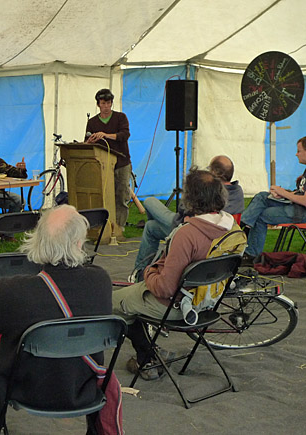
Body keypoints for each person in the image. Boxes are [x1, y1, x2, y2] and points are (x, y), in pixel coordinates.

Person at [0, 205, 117, 434]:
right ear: (79, 243)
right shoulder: (100, 281)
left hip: (25, 388)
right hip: (82, 387)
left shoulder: (13, 291)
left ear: (37, 240)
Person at [113, 168, 237, 380]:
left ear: (190, 198)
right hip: (208, 302)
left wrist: (148, 272)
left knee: (112, 302)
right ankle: (152, 352)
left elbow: (165, 288)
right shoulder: (232, 227)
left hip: (176, 305)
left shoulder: (187, 234)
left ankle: (147, 360)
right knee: (132, 298)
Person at [131, 155, 245, 279]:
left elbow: (186, 210)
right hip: (215, 236)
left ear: (215, 173)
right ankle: (144, 271)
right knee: (151, 227)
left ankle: (141, 271)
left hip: (191, 231)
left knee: (149, 201)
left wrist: (191, 195)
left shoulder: (210, 192)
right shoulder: (237, 192)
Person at [241, 136, 306, 262]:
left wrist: (284, 193)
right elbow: (301, 193)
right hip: (297, 206)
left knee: (261, 215)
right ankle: (244, 225)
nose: (296, 154)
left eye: (299, 151)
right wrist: (283, 193)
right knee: (262, 196)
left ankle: (251, 255)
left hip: (301, 212)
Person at [85, 88, 132, 233]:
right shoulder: (92, 122)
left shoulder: (120, 117)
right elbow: (86, 141)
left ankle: (119, 226)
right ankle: (103, 226)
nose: (106, 106)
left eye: (108, 103)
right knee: (104, 195)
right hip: (102, 165)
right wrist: (91, 140)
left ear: (112, 103)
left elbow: (125, 135)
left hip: (121, 163)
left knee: (121, 194)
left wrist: (106, 135)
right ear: (98, 104)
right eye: (103, 103)